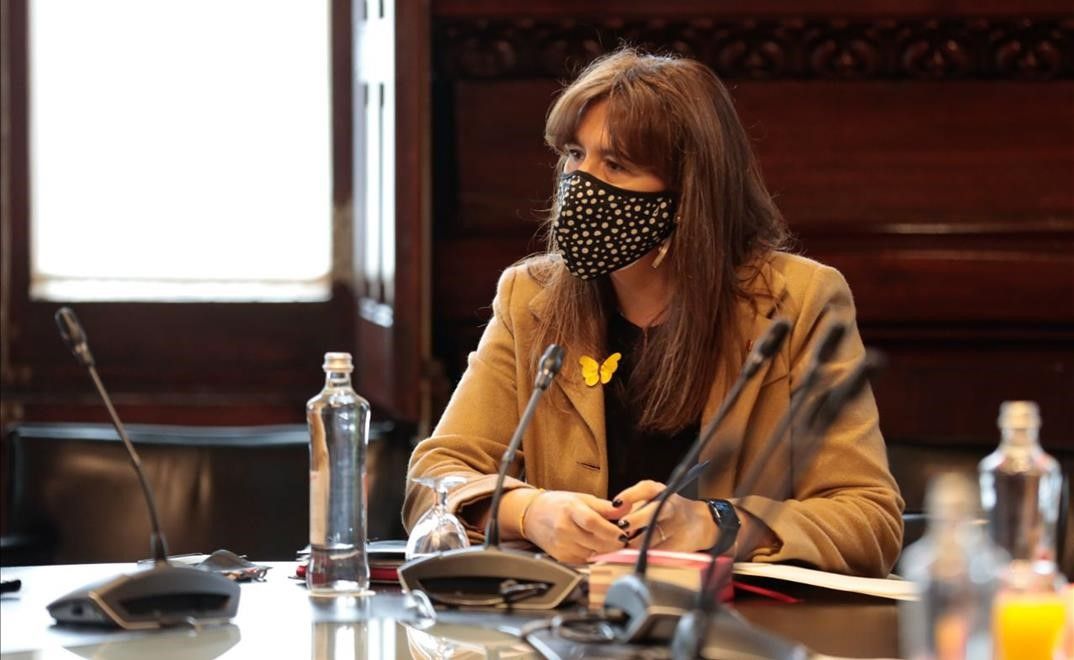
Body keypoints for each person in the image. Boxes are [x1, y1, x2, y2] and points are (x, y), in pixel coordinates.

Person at [403, 48, 904, 577]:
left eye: (615, 165)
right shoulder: (531, 299)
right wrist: (530, 513)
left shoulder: (798, 300)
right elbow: (431, 482)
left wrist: (715, 524)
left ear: (689, 192)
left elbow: (869, 520)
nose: (580, 184)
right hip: (568, 632)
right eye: (575, 155)